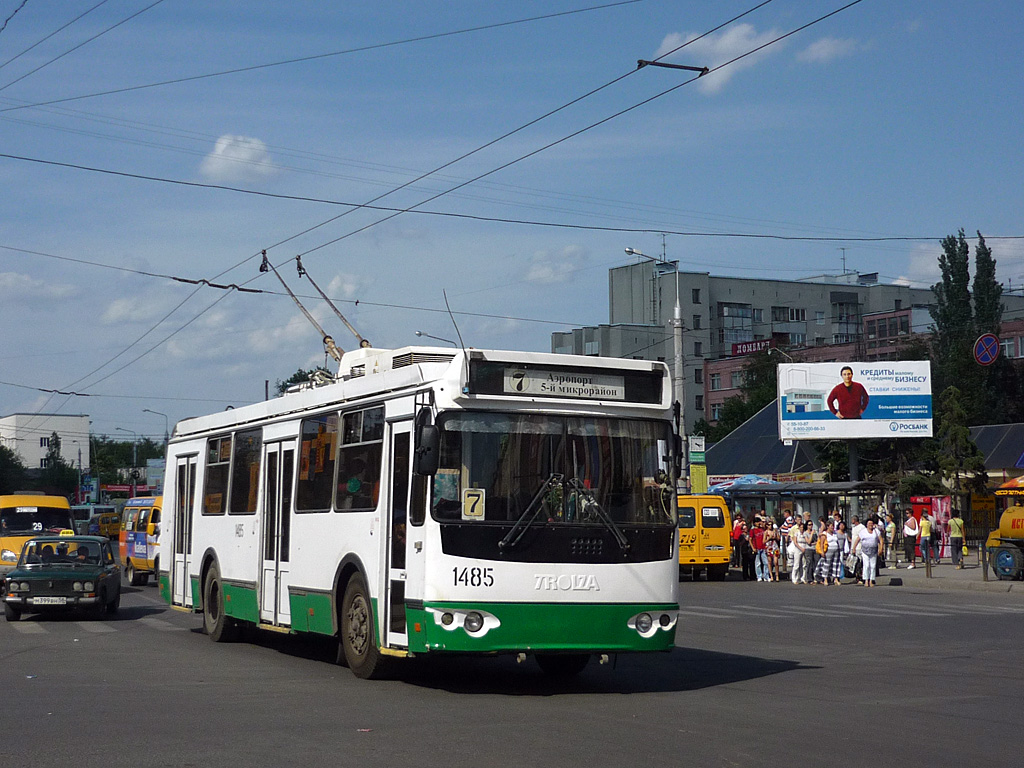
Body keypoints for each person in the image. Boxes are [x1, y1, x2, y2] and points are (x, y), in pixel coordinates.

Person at [853, 517, 882, 586]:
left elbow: (881, 540)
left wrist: (881, 548)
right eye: (869, 523)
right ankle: (866, 580)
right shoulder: (863, 532)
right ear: (866, 525)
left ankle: (871, 580)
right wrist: (854, 548)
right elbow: (857, 540)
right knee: (866, 565)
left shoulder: (876, 531)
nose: (870, 525)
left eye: (872, 523)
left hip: (873, 551)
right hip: (865, 551)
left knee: (873, 566)